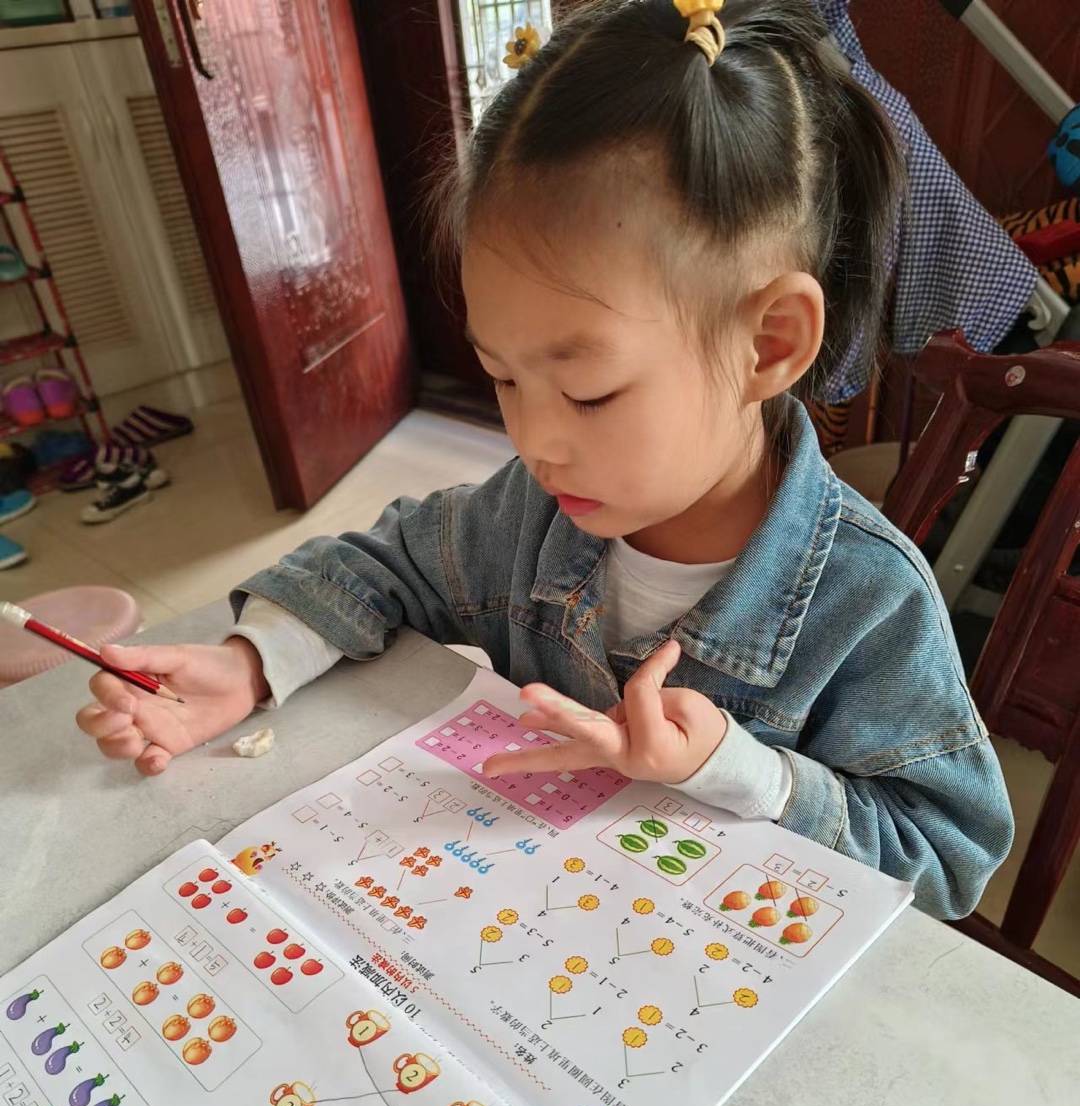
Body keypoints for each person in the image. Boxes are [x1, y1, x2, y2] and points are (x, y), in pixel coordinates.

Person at [75, 0, 1013, 921]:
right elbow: (378, 564)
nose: (535, 440)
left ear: (769, 344)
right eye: (503, 378)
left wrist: (745, 772)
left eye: (589, 391)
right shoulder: (524, 516)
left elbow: (947, 857)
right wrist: (252, 662)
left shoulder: (869, 602)